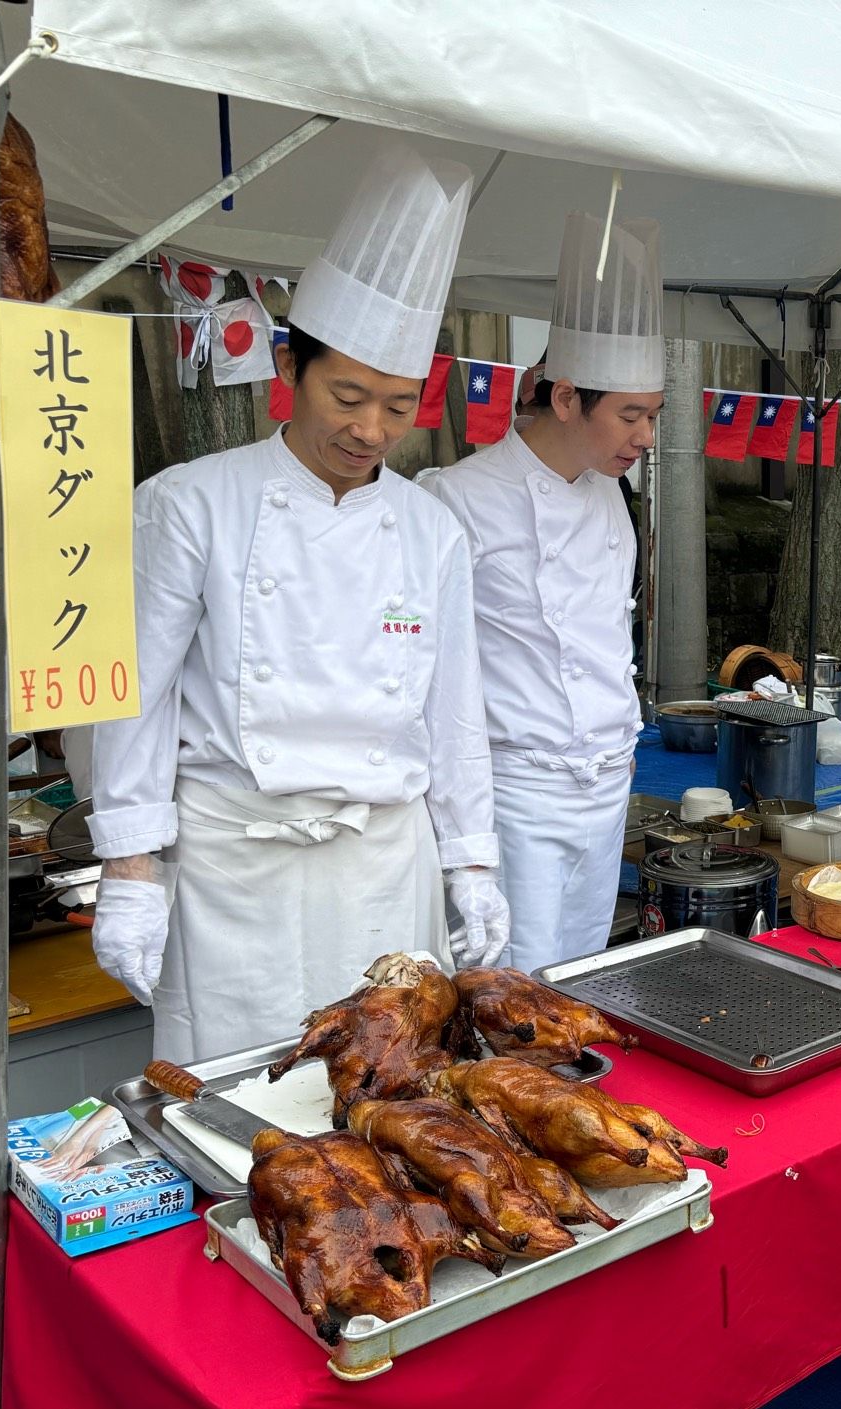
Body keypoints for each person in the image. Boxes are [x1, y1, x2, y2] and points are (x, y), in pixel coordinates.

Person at [85, 147, 507, 1062]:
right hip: (237, 868)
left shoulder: (430, 528)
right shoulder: (190, 502)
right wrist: (128, 866)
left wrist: (472, 863)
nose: (370, 431)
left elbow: (454, 710)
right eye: (347, 396)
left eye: (398, 408)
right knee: (243, 1100)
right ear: (289, 364)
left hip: (386, 868)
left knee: (386, 1100)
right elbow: (136, 693)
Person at [420, 213, 659, 969]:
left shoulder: (611, 495)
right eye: (631, 415)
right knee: (509, 992)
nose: (646, 435)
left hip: (606, 778)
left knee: (582, 978)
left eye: (654, 415)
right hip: (514, 788)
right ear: (565, 399)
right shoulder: (456, 499)